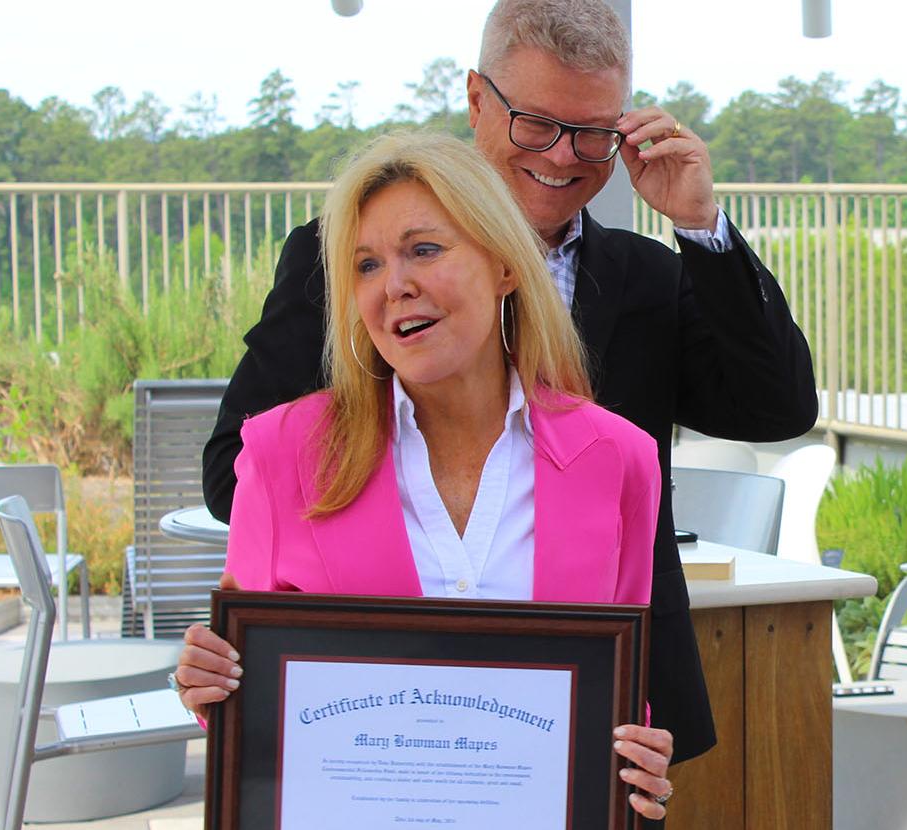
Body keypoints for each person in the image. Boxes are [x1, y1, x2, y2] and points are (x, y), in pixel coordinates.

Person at [197, 0, 817, 766]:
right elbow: (237, 474)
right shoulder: (357, 266)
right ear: (477, 100)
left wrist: (701, 228)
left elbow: (777, 405)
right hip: (384, 720)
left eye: (592, 132)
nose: (561, 157)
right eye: (536, 123)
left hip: (608, 724)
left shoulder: (651, 276)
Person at [174, 131, 678, 820]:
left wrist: (638, 761)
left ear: (504, 263)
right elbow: (255, 711)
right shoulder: (278, 454)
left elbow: (618, 693)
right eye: (367, 264)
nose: (395, 285)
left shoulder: (618, 460)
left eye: (424, 249)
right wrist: (212, 689)